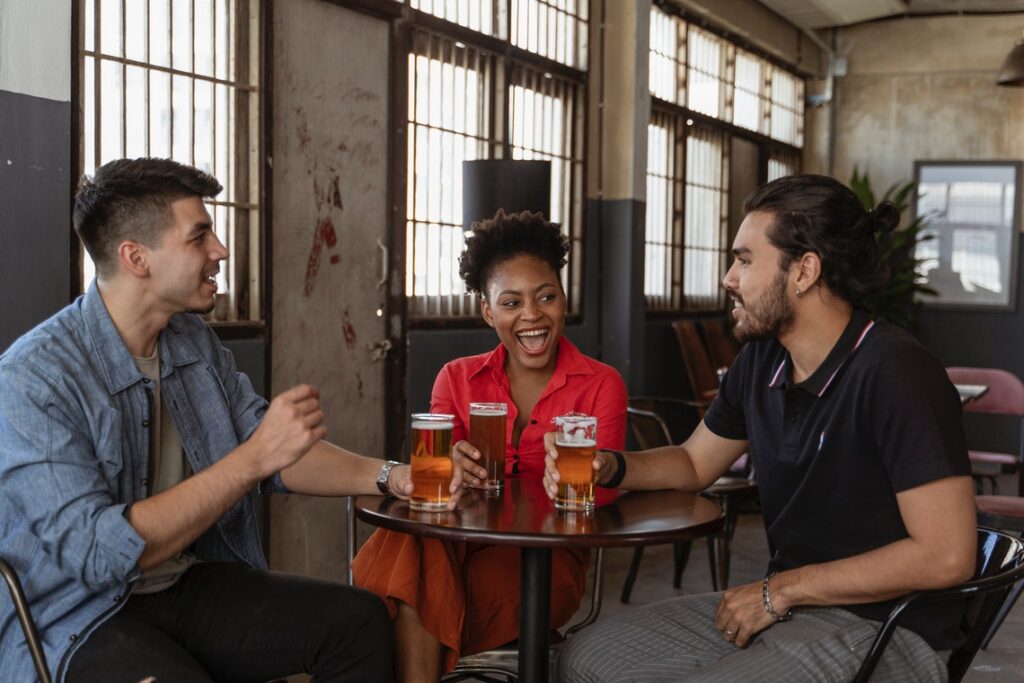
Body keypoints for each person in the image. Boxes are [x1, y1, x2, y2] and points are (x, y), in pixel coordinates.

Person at [0, 158, 458, 682]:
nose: (220, 250)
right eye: (199, 237)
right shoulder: (34, 378)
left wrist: (394, 475)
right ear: (136, 258)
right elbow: (101, 556)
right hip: (76, 615)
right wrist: (253, 459)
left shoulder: (191, 341)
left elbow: (270, 448)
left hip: (180, 584)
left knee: (357, 623)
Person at [544, 174, 976, 682]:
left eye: (745, 260)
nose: (729, 277)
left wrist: (781, 591)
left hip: (894, 629)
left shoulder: (896, 372)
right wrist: (610, 466)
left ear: (804, 271)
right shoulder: (761, 361)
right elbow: (693, 463)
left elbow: (947, 556)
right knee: (583, 659)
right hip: (792, 608)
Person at [353, 210, 627, 682]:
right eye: (511, 302)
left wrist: (580, 475)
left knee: (398, 597)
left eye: (546, 297)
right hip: (455, 547)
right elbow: (434, 490)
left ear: (563, 300)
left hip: (546, 562)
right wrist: (451, 465)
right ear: (487, 311)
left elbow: (600, 497)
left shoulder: (601, 384)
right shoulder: (456, 378)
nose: (532, 315)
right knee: (418, 541)